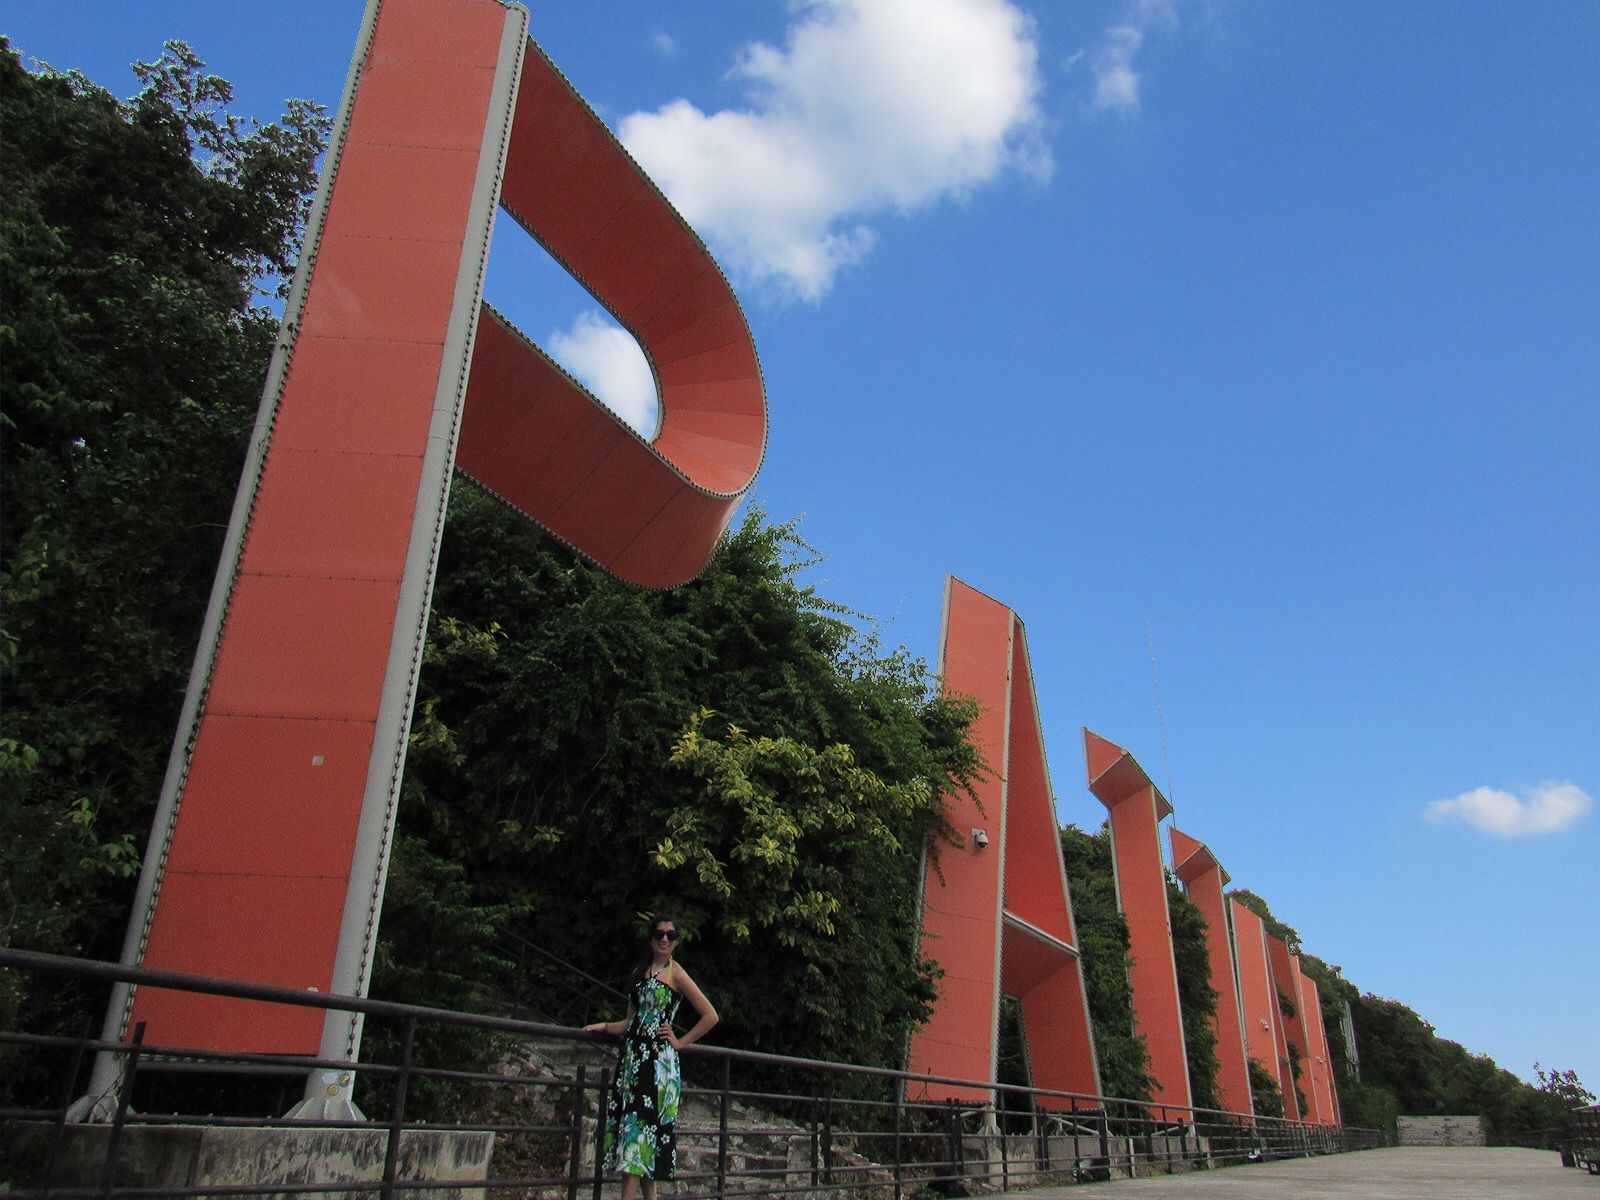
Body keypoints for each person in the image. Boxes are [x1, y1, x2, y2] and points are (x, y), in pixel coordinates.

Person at [583, 916, 719, 1199]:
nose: (665, 939)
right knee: (639, 1142)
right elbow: (630, 1022)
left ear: (677, 941)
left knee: (636, 1140)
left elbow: (710, 1015)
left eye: (671, 935)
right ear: (651, 939)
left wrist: (681, 1042)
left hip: (658, 1066)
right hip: (633, 1061)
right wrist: (605, 1027)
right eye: (659, 934)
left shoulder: (676, 974)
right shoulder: (639, 972)